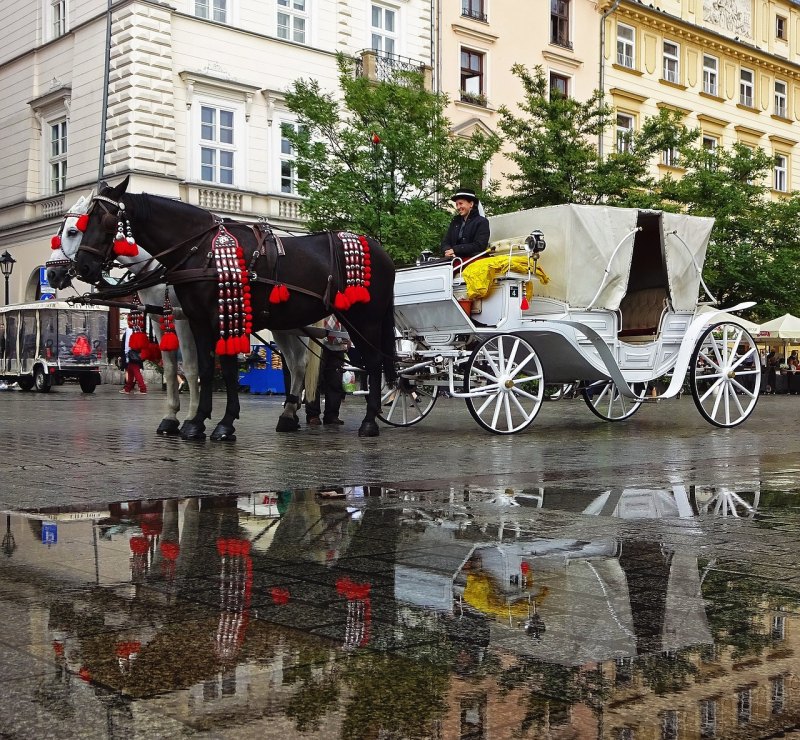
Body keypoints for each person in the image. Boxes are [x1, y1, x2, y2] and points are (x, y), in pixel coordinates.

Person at [306, 315, 348, 426]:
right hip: (317, 344)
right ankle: (313, 415)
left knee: (335, 382)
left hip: (337, 346)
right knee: (314, 380)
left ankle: (332, 415)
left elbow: (343, 318)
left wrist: (347, 337)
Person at [440, 188, 491, 260]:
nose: (458, 207)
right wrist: (448, 251)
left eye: (460, 203)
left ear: (471, 204)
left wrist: (455, 250)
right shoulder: (455, 222)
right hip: (453, 259)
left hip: (473, 260)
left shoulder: (482, 222)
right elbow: (445, 241)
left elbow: (479, 245)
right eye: (457, 204)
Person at [120, 326, 147, 395]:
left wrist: (126, 355)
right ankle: (128, 388)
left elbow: (127, 344)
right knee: (131, 371)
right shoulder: (140, 330)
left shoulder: (129, 331)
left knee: (136, 372)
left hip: (132, 354)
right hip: (137, 353)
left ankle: (142, 388)